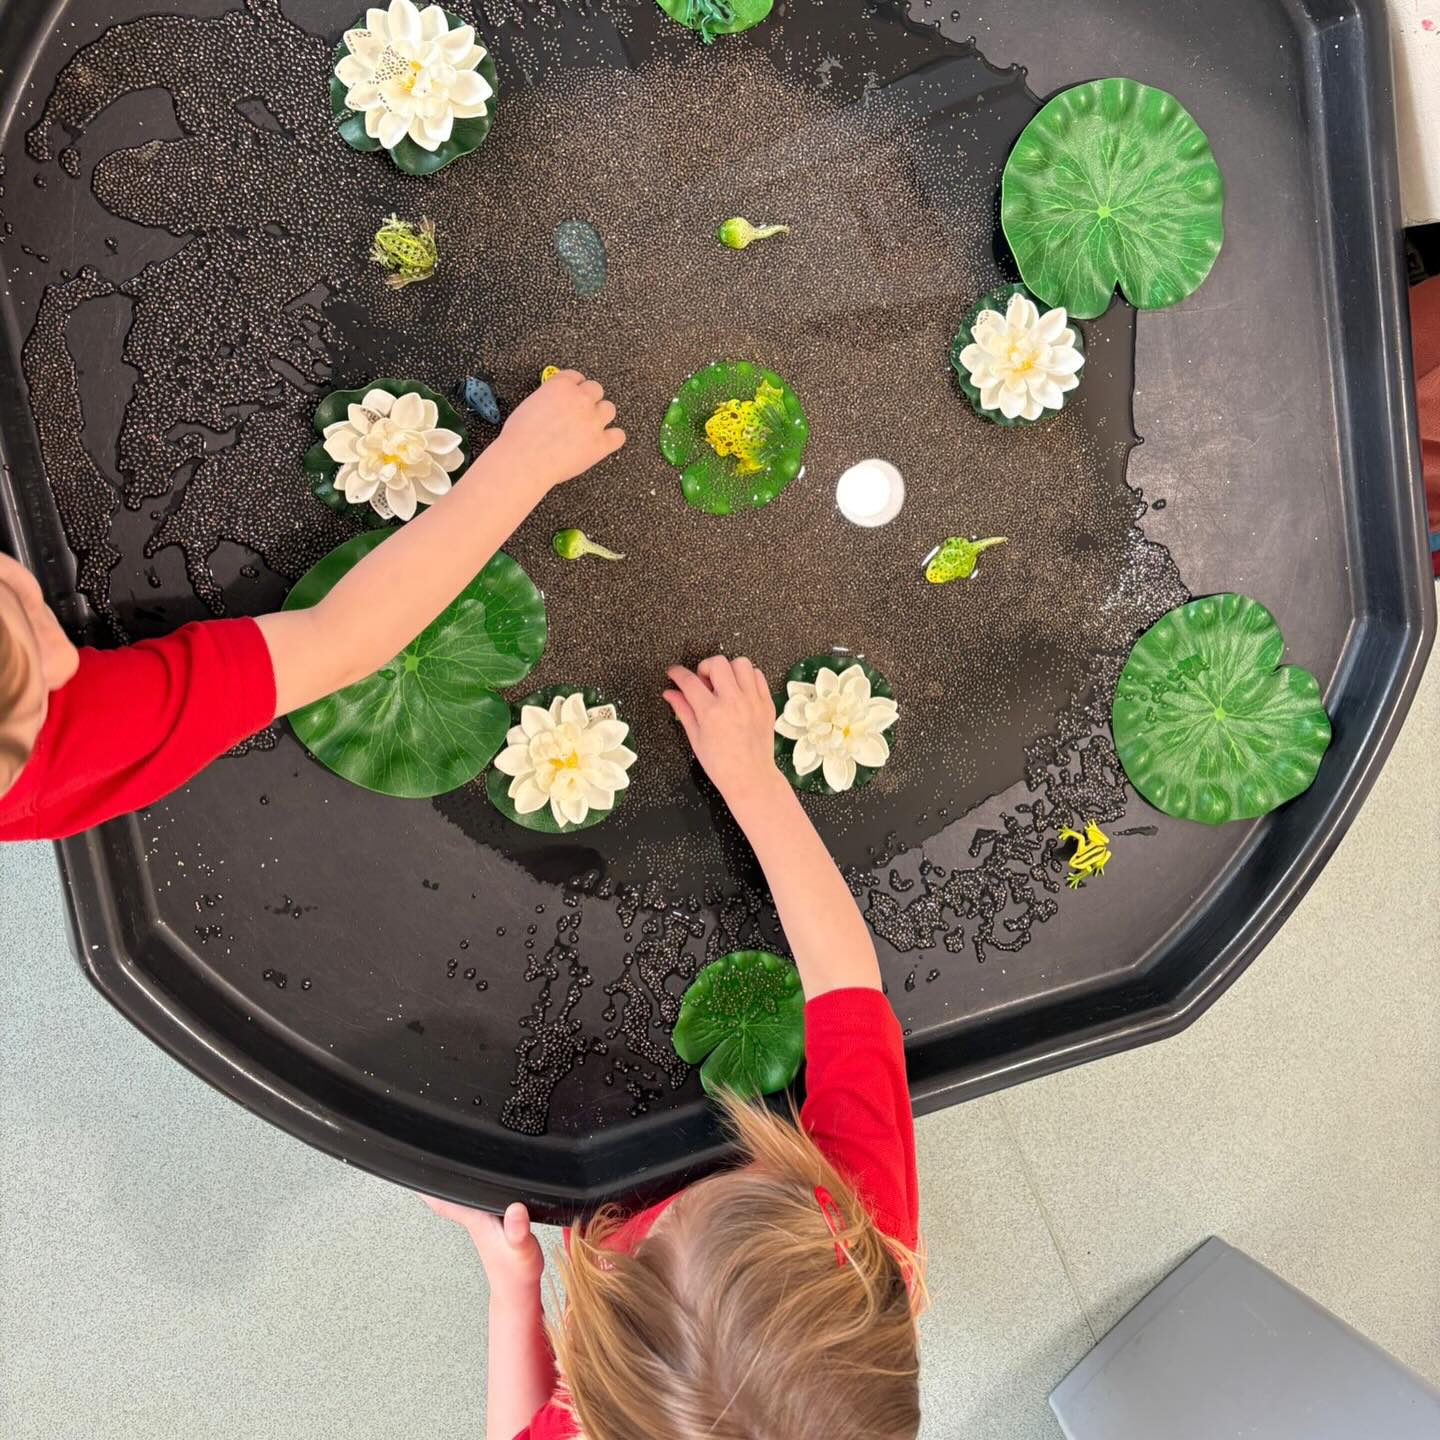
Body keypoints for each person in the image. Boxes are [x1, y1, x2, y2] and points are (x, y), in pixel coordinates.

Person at [425, 654, 922, 1440]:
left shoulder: (606, 1417)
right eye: (739, 1195)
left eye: (656, 1235)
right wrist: (752, 780)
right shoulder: (857, 1241)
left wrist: (513, 1288)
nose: (676, 1196)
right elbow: (846, 987)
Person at [0, 371, 624, 840]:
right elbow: (334, 645)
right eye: (34, 688)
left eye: (23, 622)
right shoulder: (48, 764)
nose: (61, 662)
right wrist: (524, 465)